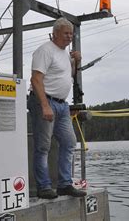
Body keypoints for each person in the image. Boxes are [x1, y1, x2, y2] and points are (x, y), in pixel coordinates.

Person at [27, 17, 86, 199]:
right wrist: (45, 105)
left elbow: (69, 76)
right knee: (43, 146)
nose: (70, 37)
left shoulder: (65, 53)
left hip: (62, 105)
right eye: (66, 33)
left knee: (69, 142)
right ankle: (43, 187)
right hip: (45, 101)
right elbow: (35, 79)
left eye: (71, 33)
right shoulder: (45, 50)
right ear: (55, 33)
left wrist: (75, 62)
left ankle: (64, 184)